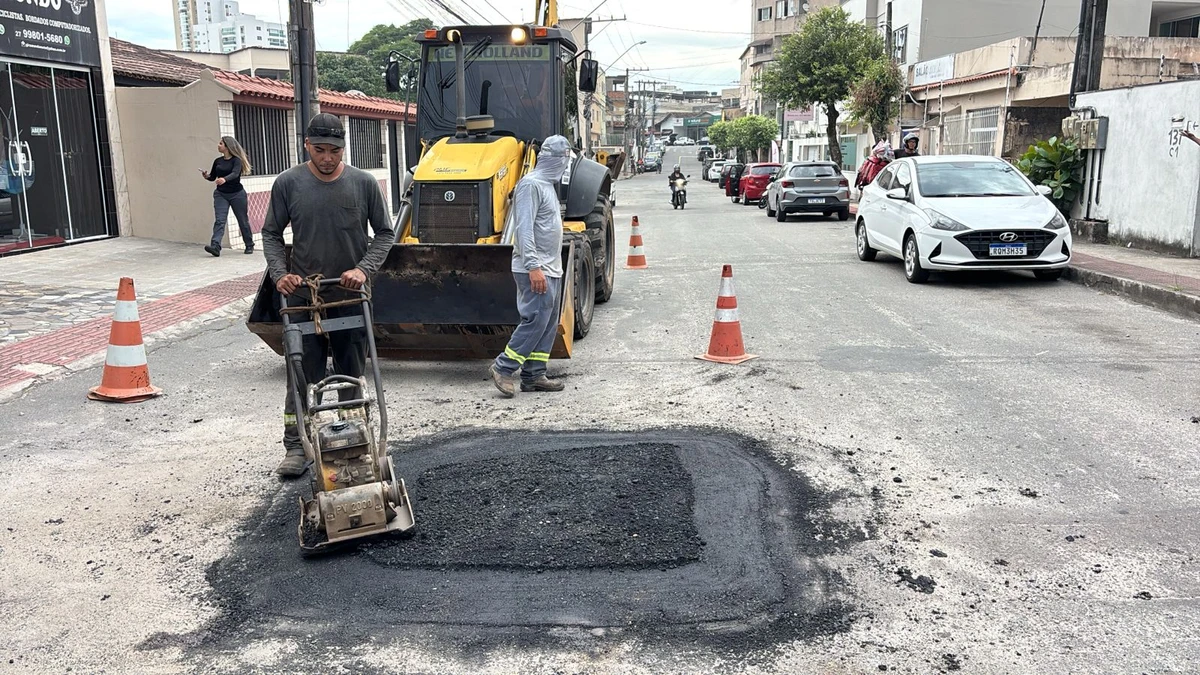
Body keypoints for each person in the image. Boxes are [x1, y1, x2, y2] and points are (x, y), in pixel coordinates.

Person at [262, 113, 397, 477]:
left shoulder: (363, 184)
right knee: (303, 377)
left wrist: (363, 269)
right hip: (305, 299)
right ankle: (297, 446)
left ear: (343, 149)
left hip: (350, 297)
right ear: (306, 145)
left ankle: (353, 442)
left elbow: (385, 234)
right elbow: (271, 234)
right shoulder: (289, 184)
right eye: (319, 150)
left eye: (334, 151)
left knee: (351, 375)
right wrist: (280, 275)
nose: (327, 158)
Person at [489, 135, 572, 398]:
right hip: (534, 268)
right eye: (563, 160)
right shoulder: (530, 185)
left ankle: (535, 375)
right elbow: (523, 229)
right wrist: (534, 266)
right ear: (551, 159)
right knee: (535, 320)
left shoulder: (547, 185)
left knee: (547, 323)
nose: (564, 166)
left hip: (551, 267)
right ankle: (503, 367)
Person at [201, 136, 254, 257]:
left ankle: (249, 244)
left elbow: (235, 174)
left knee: (242, 220)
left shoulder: (237, 161)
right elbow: (213, 177)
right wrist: (206, 176)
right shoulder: (217, 161)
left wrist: (225, 179)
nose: (218, 145)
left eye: (221, 144)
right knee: (220, 220)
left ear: (227, 147)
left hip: (237, 194)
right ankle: (215, 246)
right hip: (221, 194)